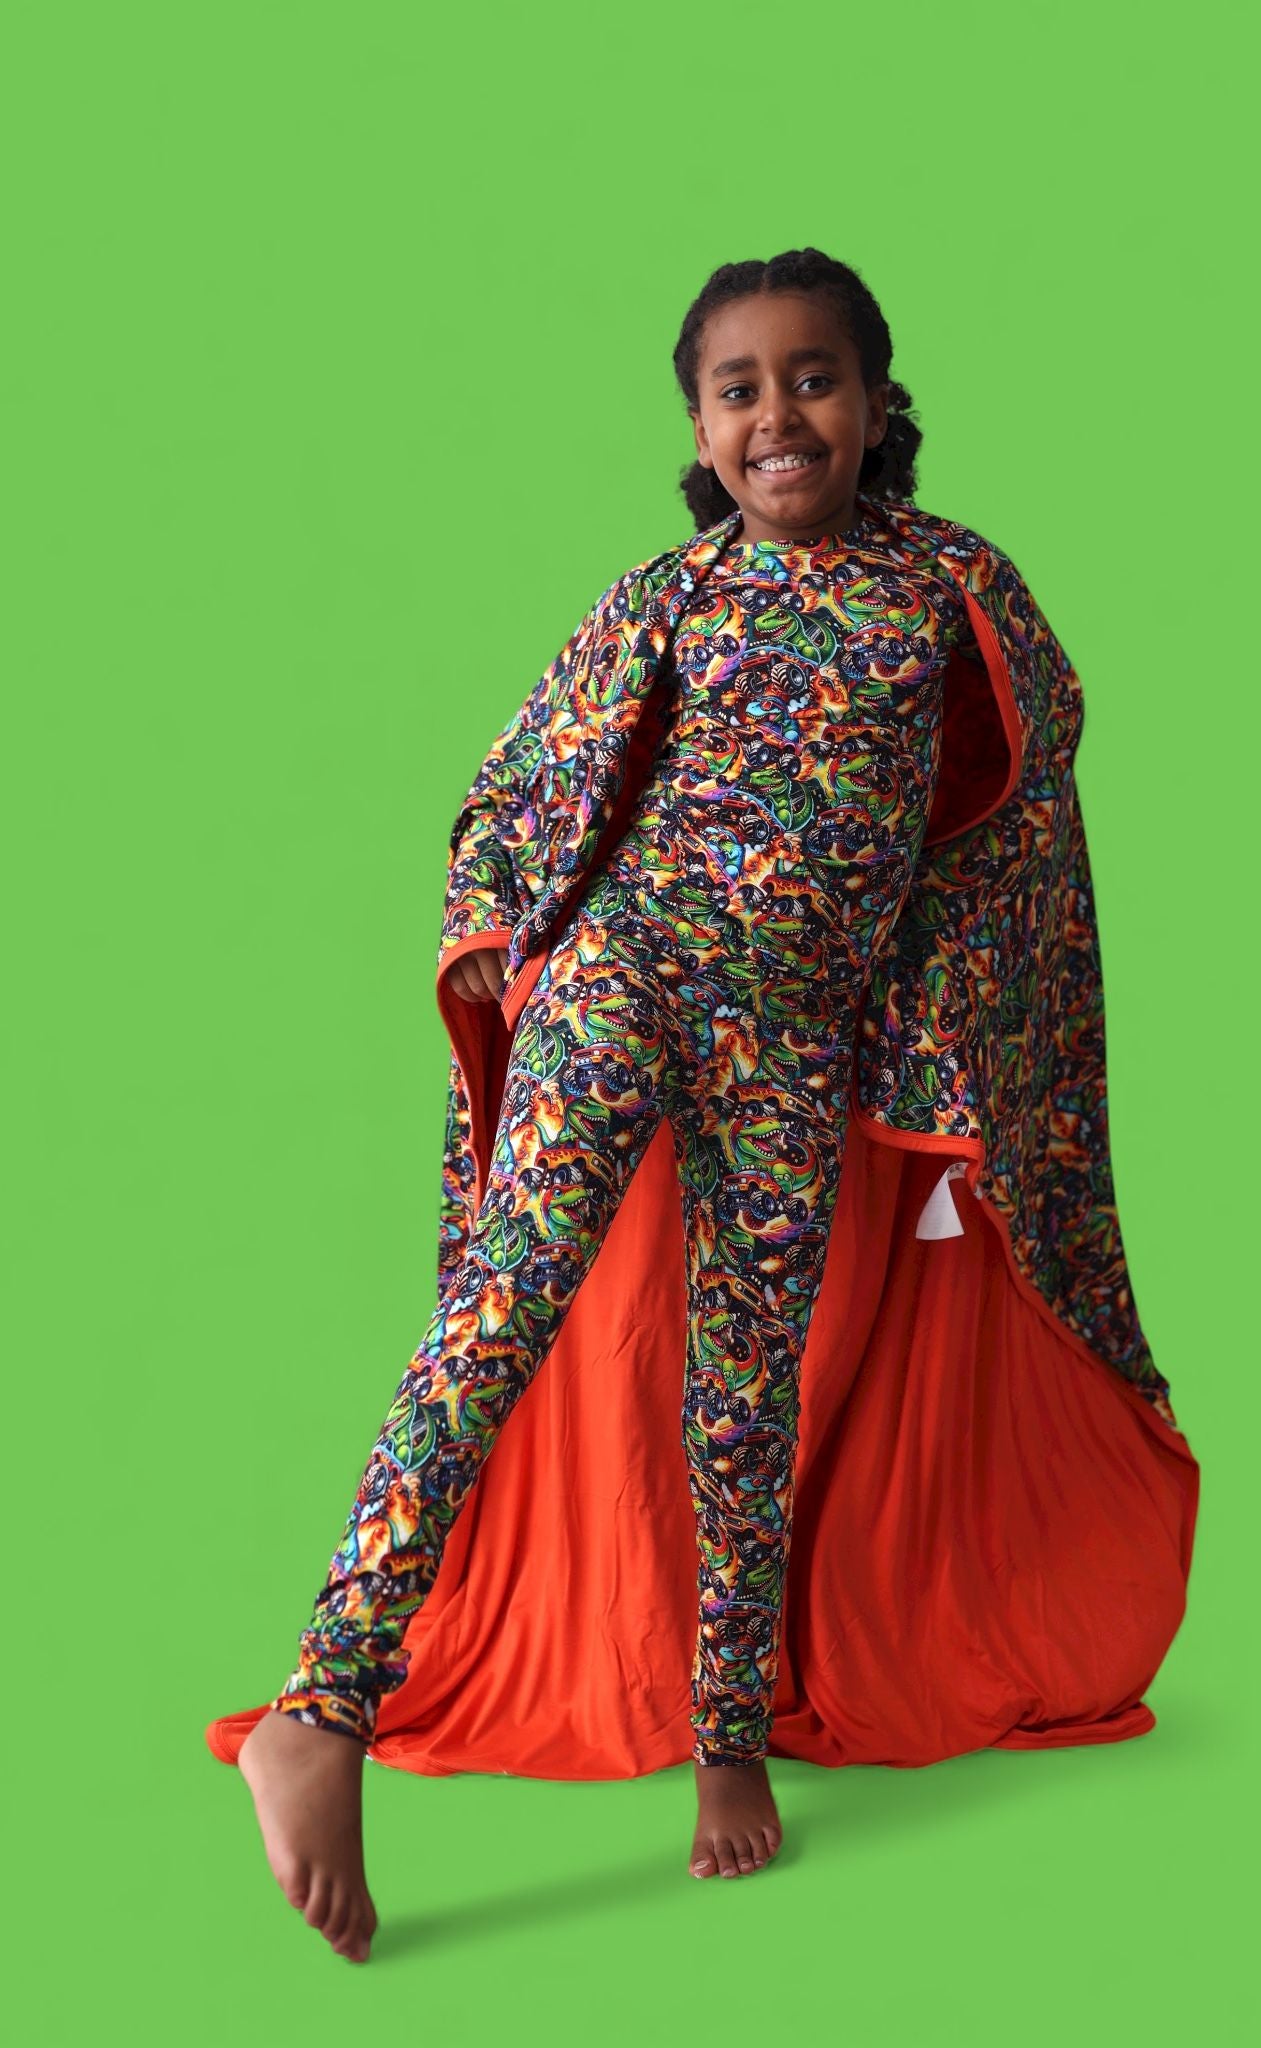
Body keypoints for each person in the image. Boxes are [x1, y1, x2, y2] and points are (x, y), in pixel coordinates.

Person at [225, 248, 1175, 1965]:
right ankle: (325, 1700)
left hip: (796, 1043)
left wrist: (958, 1084)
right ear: (697, 428)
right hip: (626, 971)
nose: (776, 414)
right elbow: (522, 780)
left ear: (876, 403)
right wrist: (505, 938)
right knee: (504, 1307)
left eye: (811, 378)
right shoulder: (666, 595)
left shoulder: (952, 585)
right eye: (737, 389)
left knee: (747, 1384)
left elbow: (1007, 835)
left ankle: (724, 1730)